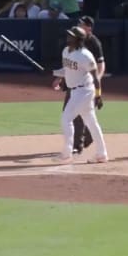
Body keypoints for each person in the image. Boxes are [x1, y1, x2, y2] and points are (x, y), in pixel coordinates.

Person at [51, 26, 108, 163]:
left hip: (85, 91)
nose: (68, 37)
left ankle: (67, 152)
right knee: (91, 122)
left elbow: (95, 76)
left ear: (78, 40)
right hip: (75, 91)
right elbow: (67, 70)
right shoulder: (65, 51)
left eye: (71, 36)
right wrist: (56, 75)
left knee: (66, 119)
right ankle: (102, 154)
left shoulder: (85, 55)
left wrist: (99, 95)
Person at [67, 15, 105, 155]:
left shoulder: (94, 43)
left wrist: (98, 84)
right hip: (75, 83)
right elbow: (70, 64)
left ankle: (78, 144)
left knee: (74, 116)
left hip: (88, 85)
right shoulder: (73, 43)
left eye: (81, 24)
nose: (78, 25)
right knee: (84, 116)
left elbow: (101, 65)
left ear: (88, 27)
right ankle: (82, 141)